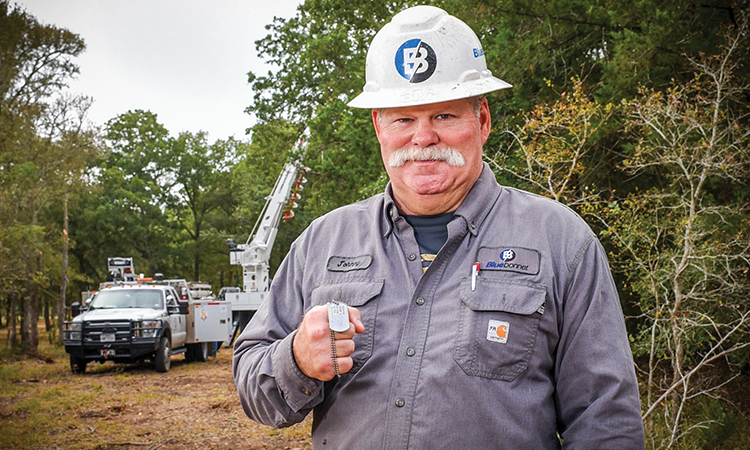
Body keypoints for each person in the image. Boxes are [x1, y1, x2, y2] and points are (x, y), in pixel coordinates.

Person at [233, 5, 645, 449]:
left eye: (444, 116)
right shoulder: (323, 241)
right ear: (379, 127)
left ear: (482, 120)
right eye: (404, 119)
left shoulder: (562, 241)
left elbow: (606, 421)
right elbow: (253, 383)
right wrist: (296, 358)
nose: (423, 138)